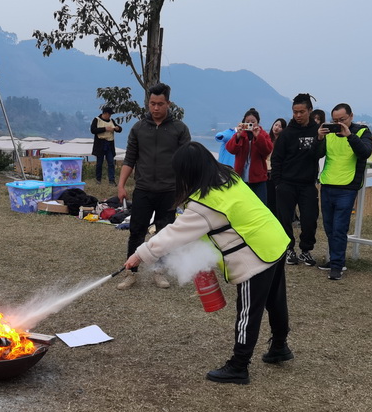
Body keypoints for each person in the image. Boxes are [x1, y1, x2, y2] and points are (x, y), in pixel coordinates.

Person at [123, 142, 292, 385]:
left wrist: (140, 254)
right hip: (273, 240)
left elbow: (173, 233)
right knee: (275, 301)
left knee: (248, 312)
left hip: (254, 254)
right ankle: (279, 347)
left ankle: (239, 366)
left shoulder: (204, 203)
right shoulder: (227, 177)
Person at [116, 83, 191, 290]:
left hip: (170, 191)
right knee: (136, 231)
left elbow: (188, 161)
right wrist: (121, 185)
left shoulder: (179, 129)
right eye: (152, 104)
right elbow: (129, 159)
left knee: (164, 233)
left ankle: (159, 271)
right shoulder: (139, 128)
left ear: (168, 103)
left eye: (160, 104)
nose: (155, 108)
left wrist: (187, 188)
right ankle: (131, 273)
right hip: (143, 190)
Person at [314, 103, 372, 280]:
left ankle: (337, 266)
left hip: (347, 187)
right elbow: (316, 155)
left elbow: (365, 152)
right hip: (327, 183)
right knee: (329, 227)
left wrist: (350, 136)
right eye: (335, 120)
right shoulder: (329, 133)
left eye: (342, 120)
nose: (339, 123)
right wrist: (319, 138)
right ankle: (334, 260)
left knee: (340, 228)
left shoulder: (362, 132)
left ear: (351, 116)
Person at [270, 93, 322, 267]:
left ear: (309, 110)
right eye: (295, 112)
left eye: (301, 112)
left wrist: (320, 139)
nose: (298, 115)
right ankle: (288, 249)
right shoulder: (287, 134)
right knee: (284, 219)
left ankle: (306, 250)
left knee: (309, 220)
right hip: (286, 184)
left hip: (307, 184)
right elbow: (276, 159)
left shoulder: (317, 131)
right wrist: (278, 183)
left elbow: (320, 153)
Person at [225, 108, 273, 204]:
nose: (250, 124)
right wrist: (238, 136)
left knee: (260, 205)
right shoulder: (240, 134)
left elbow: (267, 150)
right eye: (247, 122)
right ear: (243, 122)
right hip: (241, 177)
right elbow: (230, 149)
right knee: (242, 205)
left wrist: (258, 137)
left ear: (258, 122)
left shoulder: (263, 134)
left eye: (253, 122)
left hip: (258, 179)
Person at [90, 106, 123, 184]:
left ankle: (111, 180)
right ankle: (98, 179)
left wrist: (118, 128)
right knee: (99, 163)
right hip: (100, 144)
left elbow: (119, 129)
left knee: (111, 162)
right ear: (105, 113)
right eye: (109, 114)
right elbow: (93, 130)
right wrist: (105, 129)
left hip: (109, 144)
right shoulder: (96, 120)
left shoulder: (111, 121)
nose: (110, 116)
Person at [266, 118, 286, 214]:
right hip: (266, 172)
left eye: (280, 126)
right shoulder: (266, 139)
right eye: (276, 125)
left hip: (277, 173)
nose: (277, 128)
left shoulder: (283, 142)